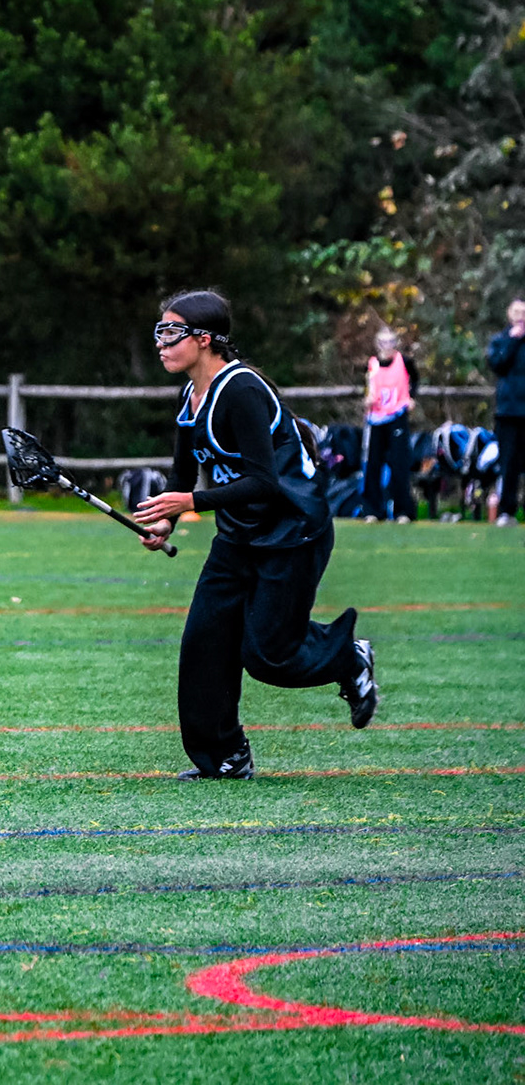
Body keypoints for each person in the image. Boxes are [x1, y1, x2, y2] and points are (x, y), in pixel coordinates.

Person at [132, 289, 379, 780]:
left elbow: (264, 483)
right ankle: (224, 757)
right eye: (159, 331)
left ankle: (348, 658)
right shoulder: (189, 395)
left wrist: (191, 503)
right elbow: (183, 472)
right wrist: (167, 519)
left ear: (204, 339)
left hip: (292, 532)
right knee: (204, 643)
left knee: (269, 656)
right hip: (239, 535)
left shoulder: (241, 390)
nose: (161, 343)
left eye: (171, 332)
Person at [361, 327, 416, 523]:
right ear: (377, 344)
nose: (387, 346)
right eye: (383, 342)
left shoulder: (404, 362)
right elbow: (368, 387)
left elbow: (414, 379)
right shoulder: (372, 364)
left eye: (391, 342)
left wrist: (411, 398)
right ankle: (372, 510)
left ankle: (403, 511)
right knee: (373, 464)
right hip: (376, 418)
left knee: (399, 464)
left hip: (397, 416)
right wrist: (367, 399)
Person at [491, 298, 525, 527]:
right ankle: (507, 511)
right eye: (516, 311)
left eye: (524, 312)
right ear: (509, 314)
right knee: (509, 463)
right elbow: (498, 364)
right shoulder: (500, 340)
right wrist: (513, 341)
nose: (520, 316)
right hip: (508, 412)